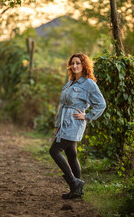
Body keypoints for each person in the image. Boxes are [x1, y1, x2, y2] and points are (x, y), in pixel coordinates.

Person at [49, 53, 106, 199]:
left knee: (54, 150)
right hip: (64, 123)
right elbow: (62, 105)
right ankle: (77, 191)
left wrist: (87, 116)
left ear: (84, 65)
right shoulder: (70, 83)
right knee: (71, 154)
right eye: (72, 63)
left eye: (78, 63)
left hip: (74, 122)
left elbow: (101, 104)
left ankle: (74, 183)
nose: (75, 66)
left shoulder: (89, 83)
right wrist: (57, 124)